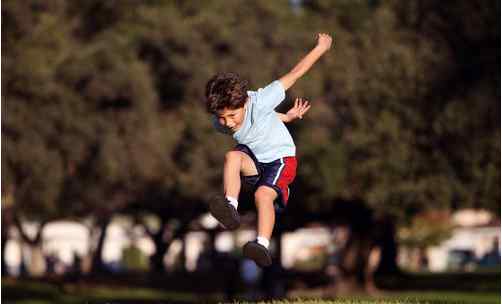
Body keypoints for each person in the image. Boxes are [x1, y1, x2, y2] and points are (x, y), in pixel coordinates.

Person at [205, 33, 333, 267]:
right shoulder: (220, 123)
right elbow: (263, 121)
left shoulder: (262, 100)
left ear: (244, 103)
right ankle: (230, 207)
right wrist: (286, 116)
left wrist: (320, 48)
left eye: (232, 116)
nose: (229, 123)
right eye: (222, 118)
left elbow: (294, 74)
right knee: (232, 156)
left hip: (280, 159)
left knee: (262, 196)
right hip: (254, 160)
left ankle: (261, 244)